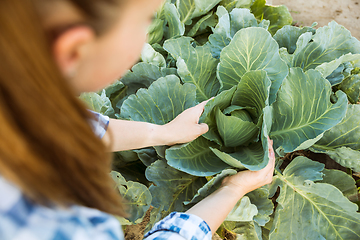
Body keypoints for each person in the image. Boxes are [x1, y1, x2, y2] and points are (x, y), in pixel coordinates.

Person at [0, 0, 276, 239]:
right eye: (144, 22)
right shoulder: (45, 222)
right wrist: (232, 189)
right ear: (74, 48)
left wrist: (163, 133)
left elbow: (74, 127)